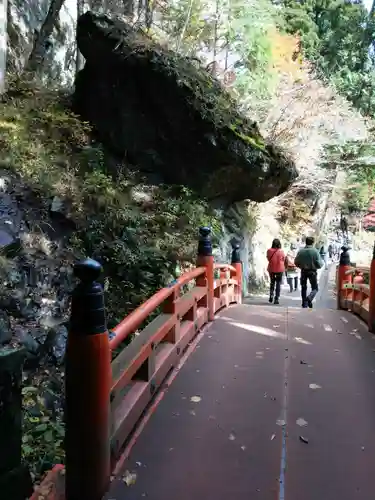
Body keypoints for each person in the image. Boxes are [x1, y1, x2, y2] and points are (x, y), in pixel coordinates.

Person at [295, 236, 323, 309]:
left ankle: (304, 303)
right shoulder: (315, 251)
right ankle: (309, 298)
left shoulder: (301, 251)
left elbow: (296, 262)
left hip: (303, 271)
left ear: (306, 242)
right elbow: (320, 264)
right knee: (315, 288)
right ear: (313, 243)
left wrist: (300, 266)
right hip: (312, 271)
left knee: (303, 287)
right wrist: (316, 266)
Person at [266, 238, 285, 305]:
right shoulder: (281, 251)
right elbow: (283, 259)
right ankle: (276, 298)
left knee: (272, 282)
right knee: (278, 283)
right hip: (280, 269)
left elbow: (268, 258)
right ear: (279, 244)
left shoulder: (269, 250)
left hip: (271, 268)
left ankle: (271, 295)